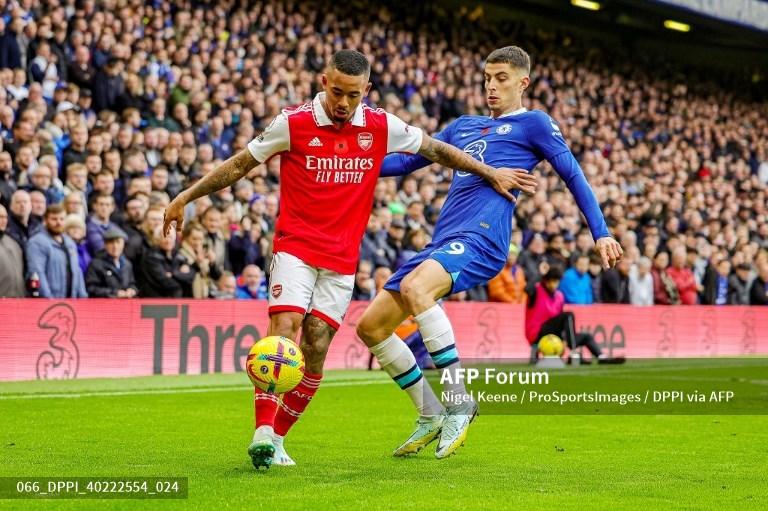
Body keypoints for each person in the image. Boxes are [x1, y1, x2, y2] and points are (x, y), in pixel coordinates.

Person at [162, 49, 532, 469]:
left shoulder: (380, 124)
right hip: (295, 246)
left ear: (366, 91)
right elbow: (240, 164)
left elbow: (437, 151)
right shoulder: (293, 122)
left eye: (352, 95)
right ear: (324, 82)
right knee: (284, 330)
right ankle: (262, 430)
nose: (342, 102)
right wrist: (186, 197)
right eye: (336, 92)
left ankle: (278, 441)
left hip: (341, 260)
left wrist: (490, 173)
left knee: (316, 348)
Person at [356, 46, 622, 460]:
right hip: (443, 239)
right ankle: (429, 412)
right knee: (371, 327)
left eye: (501, 78)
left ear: (523, 82)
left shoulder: (534, 123)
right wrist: (350, 158)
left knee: (416, 288)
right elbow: (407, 163)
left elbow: (573, 174)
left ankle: (459, 400)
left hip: (484, 236)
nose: (491, 86)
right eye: (487, 77)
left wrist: (600, 233)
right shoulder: (463, 126)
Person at [525, 266, 625, 364]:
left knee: (586, 336)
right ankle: (573, 353)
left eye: (556, 282)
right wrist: (540, 274)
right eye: (550, 281)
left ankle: (602, 357)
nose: (553, 285)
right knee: (568, 316)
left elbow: (560, 323)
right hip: (537, 333)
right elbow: (527, 289)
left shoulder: (559, 296)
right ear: (545, 281)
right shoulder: (537, 291)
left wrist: (564, 339)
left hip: (554, 334)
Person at [26, 204, 87, 298]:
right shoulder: (37, 242)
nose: (58, 222)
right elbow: (37, 273)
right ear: (45, 221)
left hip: (71, 302)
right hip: (51, 303)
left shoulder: (69, 242)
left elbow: (77, 272)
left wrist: (83, 298)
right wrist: (48, 300)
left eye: (62, 219)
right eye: (54, 219)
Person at [85, 227, 138, 298]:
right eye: (111, 243)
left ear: (123, 244)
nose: (115, 246)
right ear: (105, 245)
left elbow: (132, 283)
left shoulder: (127, 264)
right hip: (104, 307)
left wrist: (132, 290)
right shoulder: (96, 264)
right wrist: (115, 293)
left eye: (118, 242)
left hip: (125, 306)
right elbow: (91, 288)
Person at [0, 203, 25, 297]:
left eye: (5, 217)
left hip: (16, 301)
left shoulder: (13, 243)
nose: (3, 221)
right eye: (0, 217)